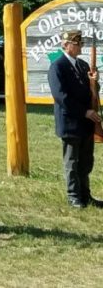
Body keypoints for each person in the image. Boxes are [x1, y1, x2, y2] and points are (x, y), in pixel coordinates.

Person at [48, 29, 103, 208]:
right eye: (77, 43)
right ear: (67, 45)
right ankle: (74, 197)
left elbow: (92, 91)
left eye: (81, 43)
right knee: (72, 162)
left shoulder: (83, 65)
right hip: (70, 122)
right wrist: (84, 112)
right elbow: (61, 96)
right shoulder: (58, 66)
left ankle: (85, 195)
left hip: (85, 123)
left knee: (86, 161)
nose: (81, 47)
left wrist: (95, 81)